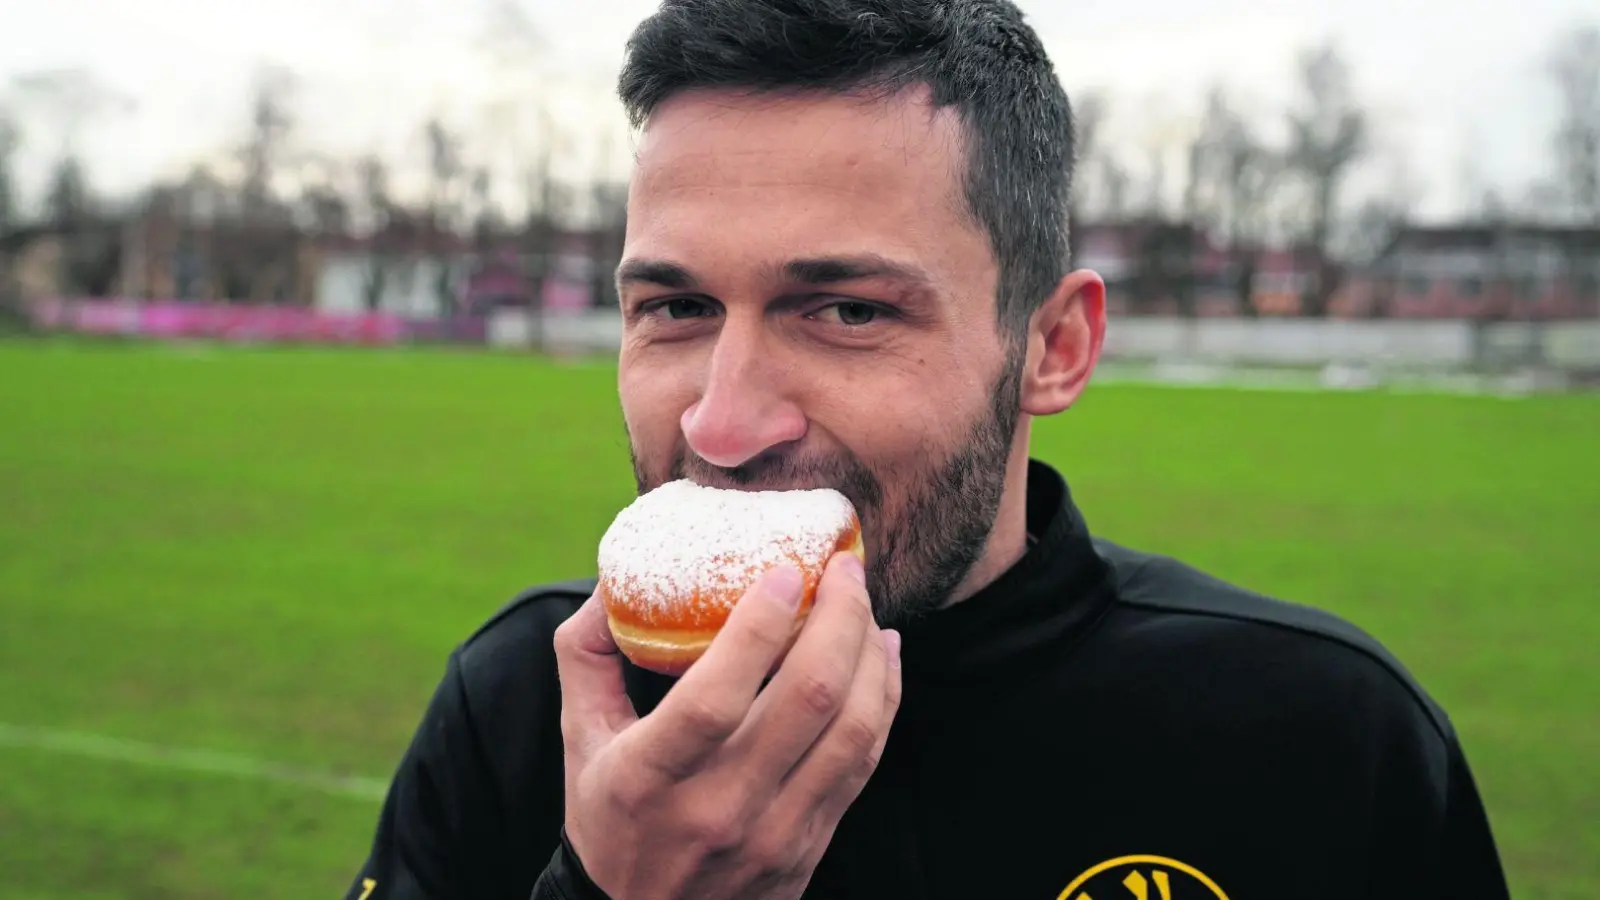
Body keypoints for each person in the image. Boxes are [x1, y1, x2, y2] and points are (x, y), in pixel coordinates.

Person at [345, 1, 1511, 898]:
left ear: (1052, 348)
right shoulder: (520, 706)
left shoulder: (1318, 736)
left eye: (847, 310)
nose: (720, 422)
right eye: (675, 308)